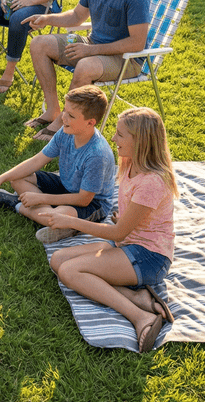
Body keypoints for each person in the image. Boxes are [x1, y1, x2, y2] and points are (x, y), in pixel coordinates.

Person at [45, 108, 177, 353]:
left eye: (120, 135)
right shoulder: (129, 163)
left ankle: (141, 317)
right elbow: (126, 225)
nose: (113, 139)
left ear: (141, 142)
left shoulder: (152, 182)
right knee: (58, 259)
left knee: (70, 271)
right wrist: (123, 219)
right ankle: (137, 296)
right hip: (129, 245)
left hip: (149, 258)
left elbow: (117, 234)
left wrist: (71, 222)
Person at [22, 0, 150, 141]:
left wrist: (91, 50)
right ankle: (52, 111)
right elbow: (77, 16)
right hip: (93, 44)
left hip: (125, 59)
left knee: (85, 65)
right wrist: (48, 19)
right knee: (39, 44)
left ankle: (63, 123)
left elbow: (137, 43)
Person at [0, 85, 115, 243]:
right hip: (65, 186)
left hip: (92, 203)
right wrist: (0, 179)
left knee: (52, 218)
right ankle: (60, 224)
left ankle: (16, 204)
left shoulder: (97, 155)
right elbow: (37, 160)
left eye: (70, 115)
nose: (63, 117)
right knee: (17, 178)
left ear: (90, 123)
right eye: (65, 110)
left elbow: (83, 199)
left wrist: (41, 199)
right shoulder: (65, 132)